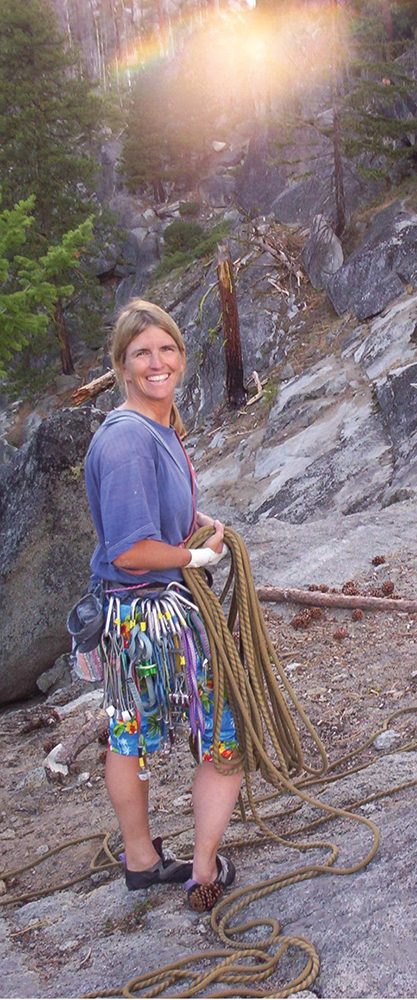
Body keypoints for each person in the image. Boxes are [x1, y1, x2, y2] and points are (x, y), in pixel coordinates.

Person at [84, 299, 243, 911]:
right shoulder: (130, 439)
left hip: (128, 619)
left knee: (130, 732)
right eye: (141, 353)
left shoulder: (154, 427)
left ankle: (142, 861)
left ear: (180, 355)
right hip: (156, 617)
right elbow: (129, 550)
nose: (157, 363)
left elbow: (150, 516)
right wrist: (193, 559)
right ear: (122, 366)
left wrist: (195, 521)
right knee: (225, 733)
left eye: (166, 349)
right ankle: (203, 872)